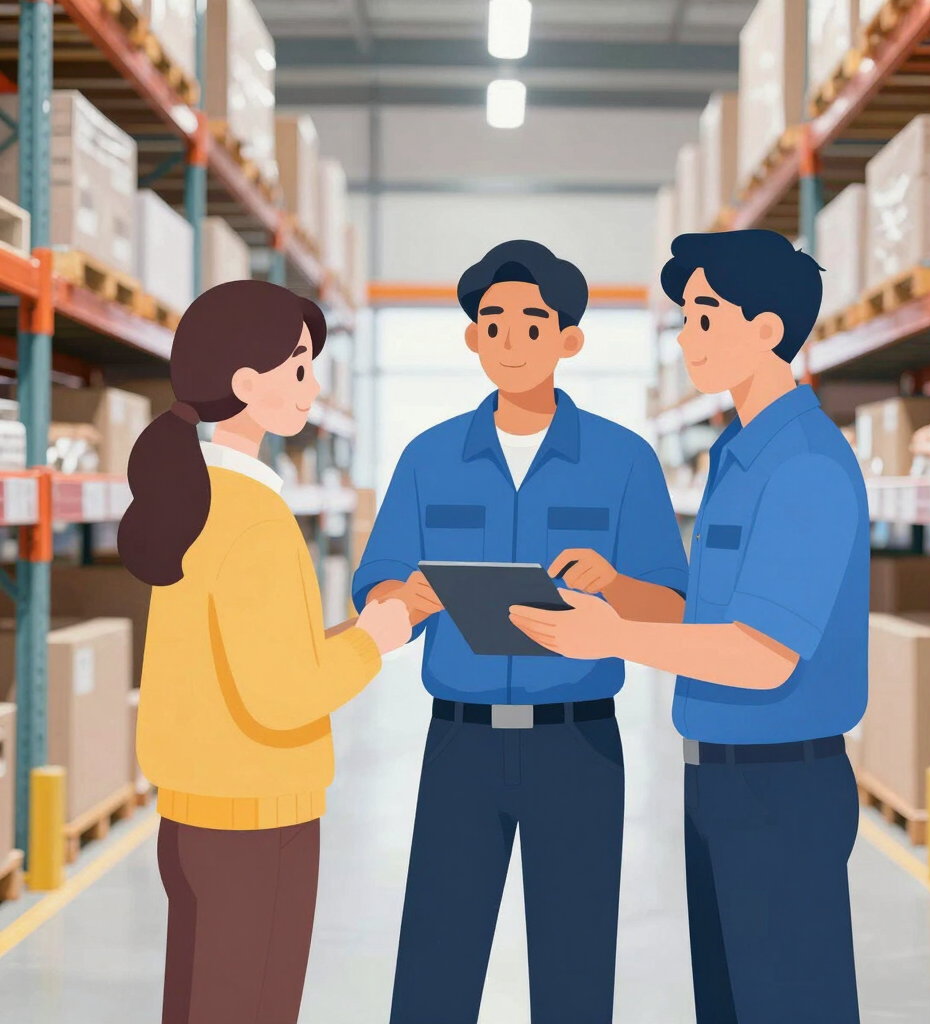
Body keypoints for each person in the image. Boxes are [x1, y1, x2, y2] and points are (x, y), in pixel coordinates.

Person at [511, 229, 868, 1024]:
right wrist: (622, 594)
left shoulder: (803, 465)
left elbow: (763, 656)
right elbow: (703, 623)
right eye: (684, 318)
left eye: (704, 316)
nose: (685, 338)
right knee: (732, 1003)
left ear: (767, 330)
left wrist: (612, 638)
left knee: (788, 1004)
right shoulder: (735, 455)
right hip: (717, 779)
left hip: (781, 782)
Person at [352, 239, 690, 1024]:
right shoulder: (428, 459)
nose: (510, 340)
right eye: (492, 322)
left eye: (533, 324)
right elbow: (377, 597)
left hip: (576, 746)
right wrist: (410, 598)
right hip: (459, 747)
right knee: (437, 959)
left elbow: (672, 609)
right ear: (471, 337)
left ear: (568, 341)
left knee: (575, 966)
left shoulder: (625, 461)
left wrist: (615, 588)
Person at [119, 280, 411, 1024]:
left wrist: (358, 629)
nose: (314, 388)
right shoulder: (255, 518)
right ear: (248, 385)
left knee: (196, 1007)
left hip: (190, 820)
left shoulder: (192, 501)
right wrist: (376, 643)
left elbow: (239, 660)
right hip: (255, 824)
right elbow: (280, 695)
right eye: (301, 367)